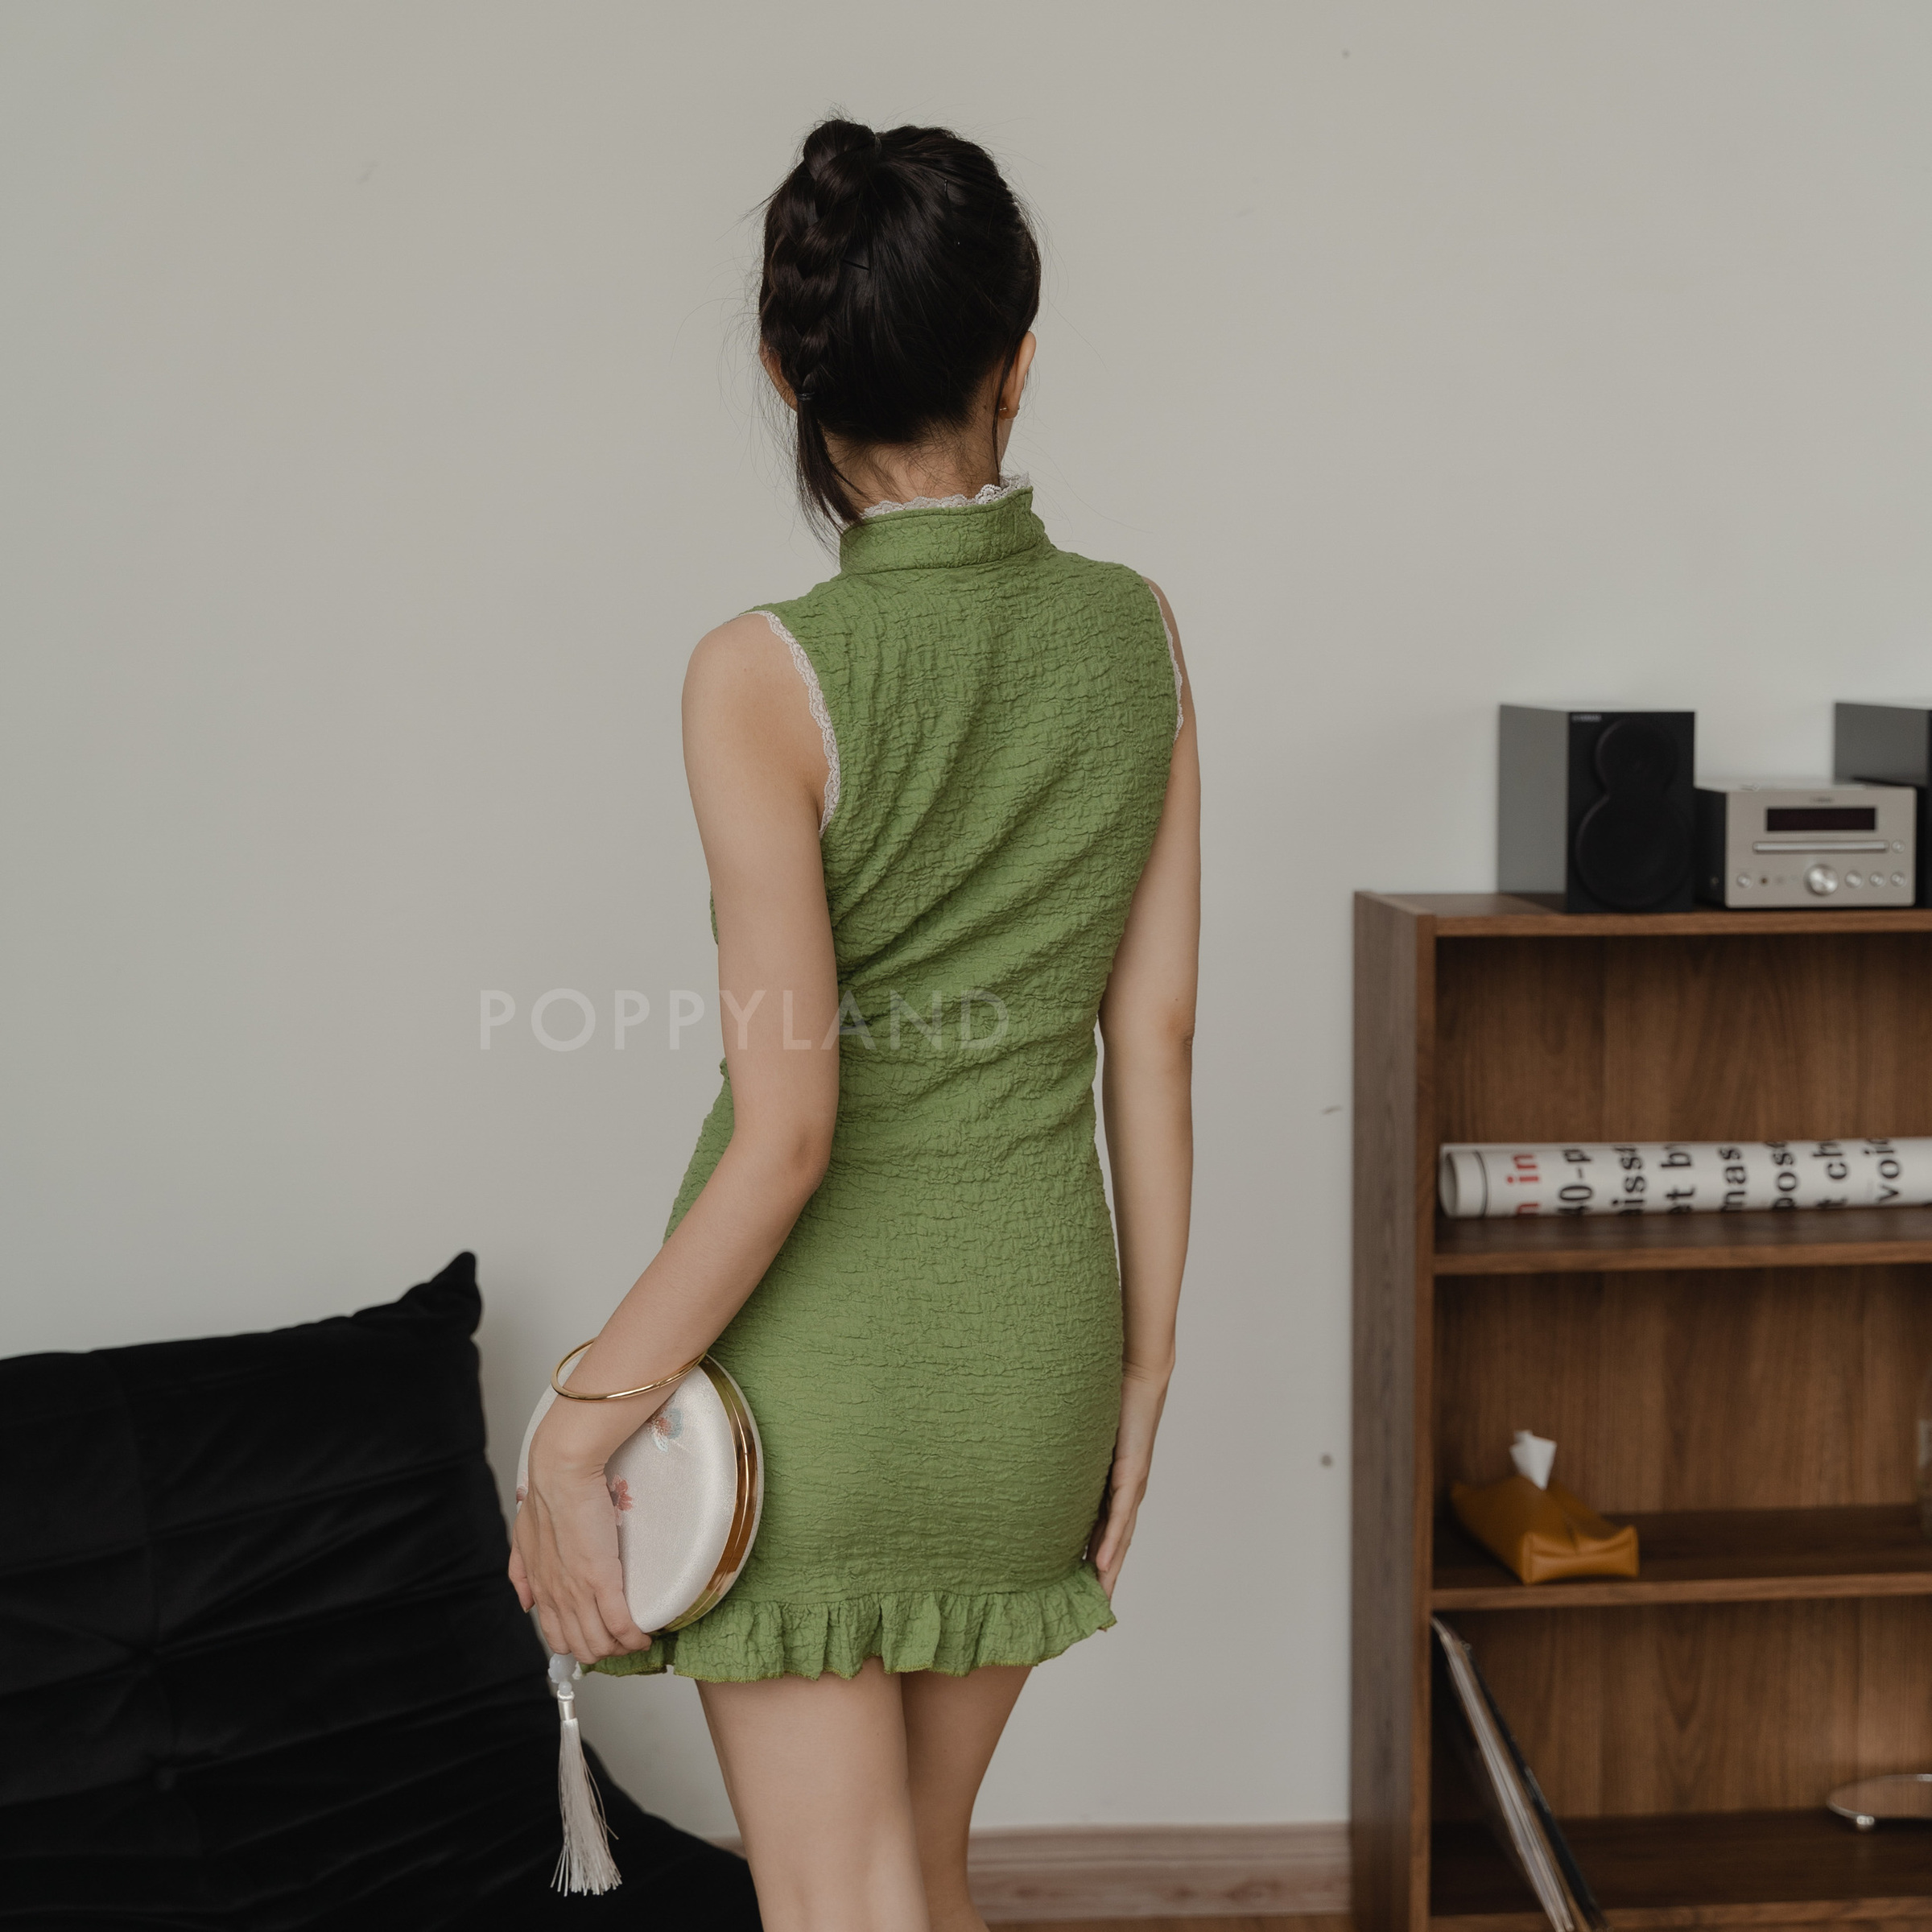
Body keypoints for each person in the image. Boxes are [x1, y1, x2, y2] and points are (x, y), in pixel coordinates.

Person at [510, 118, 1199, 1932]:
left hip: (817, 1383)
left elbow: (789, 1129)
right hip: (1037, 1352)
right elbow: (1155, 1037)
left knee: (836, 1901)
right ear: (1018, 360)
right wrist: (1142, 1377)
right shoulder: (1135, 633)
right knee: (918, 1880)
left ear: (787, 373)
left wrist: (574, 1429)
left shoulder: (760, 675)